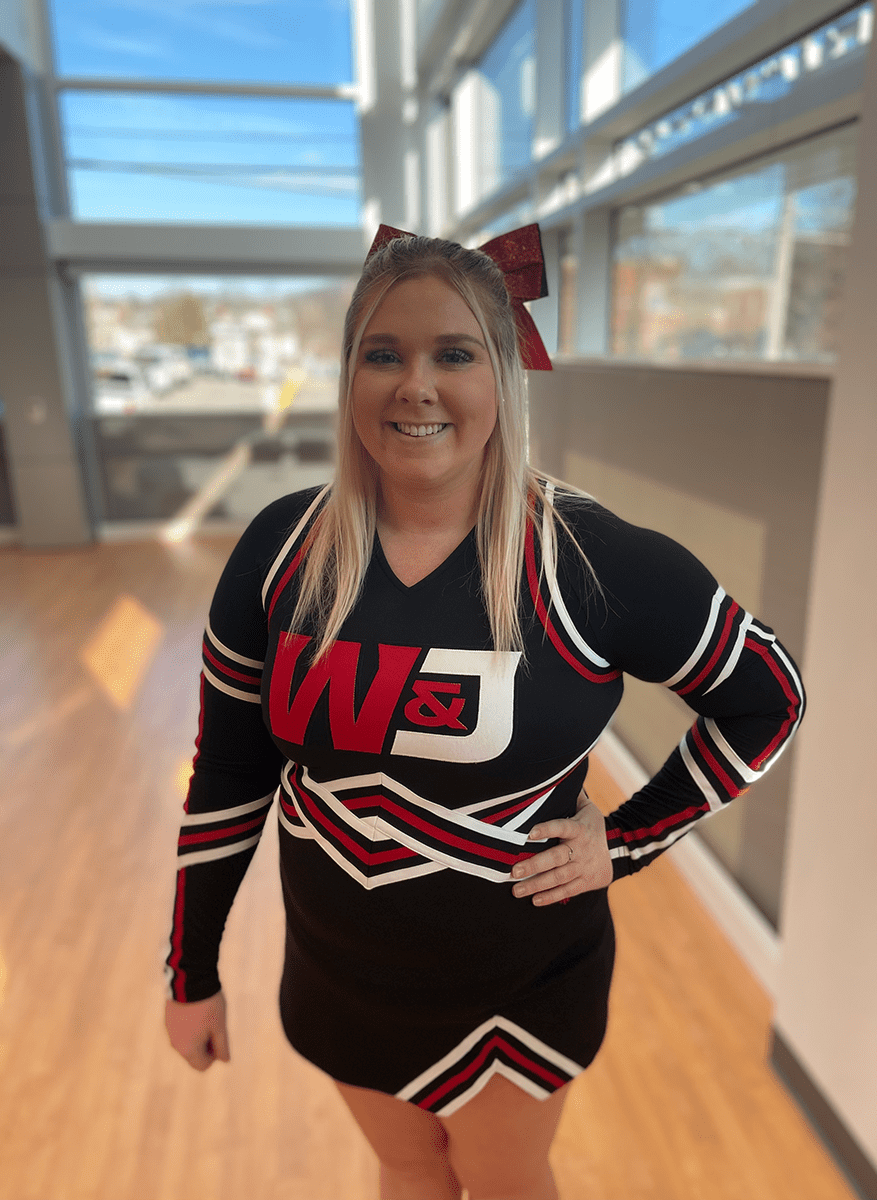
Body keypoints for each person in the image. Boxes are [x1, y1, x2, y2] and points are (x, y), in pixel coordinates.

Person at [164, 225, 804, 1200]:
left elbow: (769, 698)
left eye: (453, 354)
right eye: (385, 354)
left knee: (505, 1181)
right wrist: (190, 972)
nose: (416, 386)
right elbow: (228, 778)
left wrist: (626, 840)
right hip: (340, 976)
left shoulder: (591, 561)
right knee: (404, 1168)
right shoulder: (277, 550)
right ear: (349, 376)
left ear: (504, 375)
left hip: (520, 990)